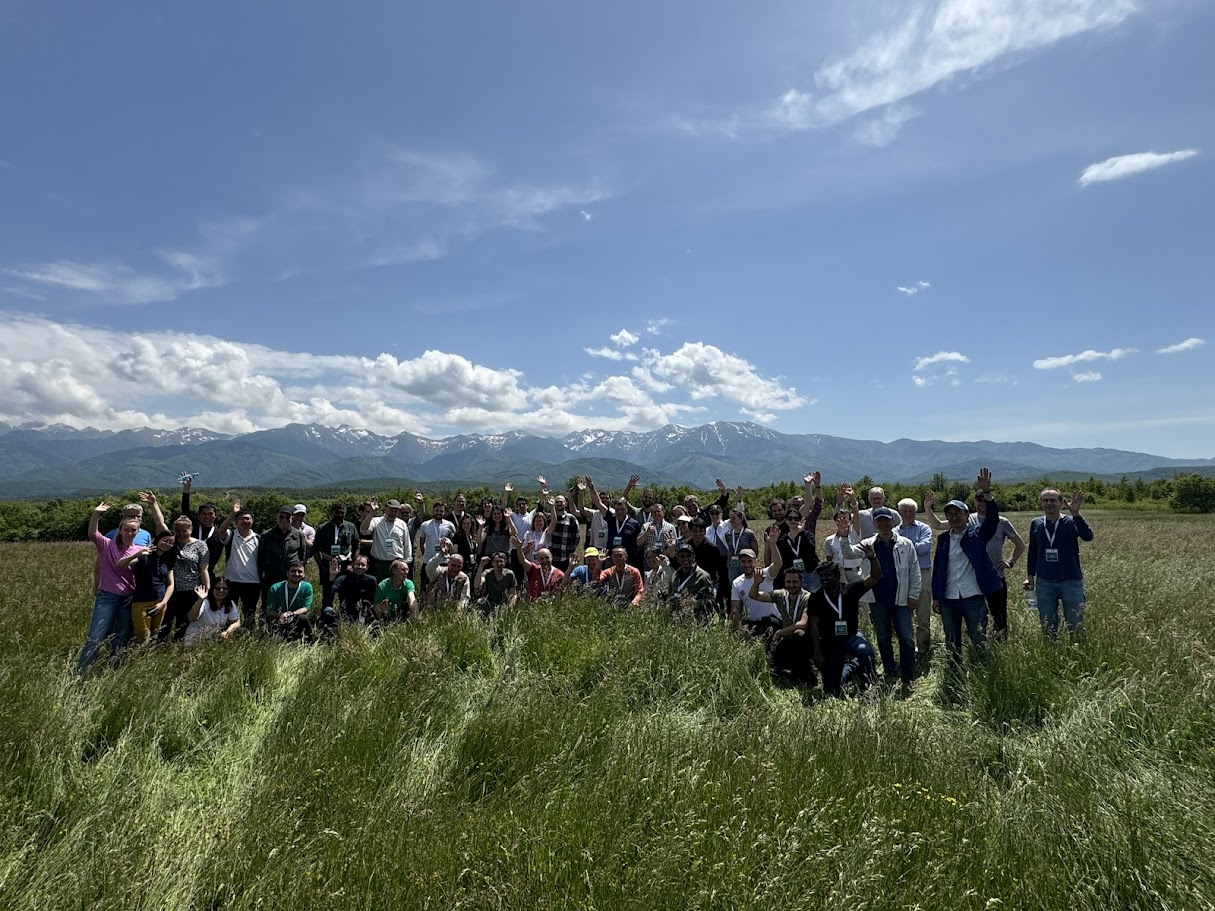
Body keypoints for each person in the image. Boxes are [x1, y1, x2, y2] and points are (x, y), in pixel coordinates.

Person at [931, 469, 1001, 668]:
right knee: (952, 641)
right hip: (949, 598)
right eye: (950, 514)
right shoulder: (943, 539)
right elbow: (938, 570)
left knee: (978, 638)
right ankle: (955, 672)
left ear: (966, 514)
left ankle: (982, 671)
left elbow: (993, 519)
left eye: (958, 513)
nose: (954, 518)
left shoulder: (978, 535)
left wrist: (987, 492)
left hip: (973, 596)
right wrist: (937, 596)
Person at [802, 553, 881, 696]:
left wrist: (872, 558)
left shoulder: (851, 590)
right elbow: (814, 626)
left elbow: (875, 577)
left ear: (837, 576)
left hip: (851, 636)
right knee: (831, 689)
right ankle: (852, 667)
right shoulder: (816, 598)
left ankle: (870, 681)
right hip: (830, 641)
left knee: (865, 650)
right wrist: (817, 652)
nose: (824, 579)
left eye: (827, 576)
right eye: (821, 577)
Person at [77, 502, 141, 673]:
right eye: (126, 530)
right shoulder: (107, 545)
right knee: (96, 636)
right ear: (120, 530)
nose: (129, 533)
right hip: (107, 597)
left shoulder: (139, 550)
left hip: (127, 598)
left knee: (120, 637)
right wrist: (96, 513)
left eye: (133, 530)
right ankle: (82, 672)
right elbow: (92, 533)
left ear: (138, 532)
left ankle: (113, 670)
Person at [861, 506, 921, 687]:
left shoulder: (905, 544)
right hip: (877, 599)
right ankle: (889, 668)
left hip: (901, 599)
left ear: (893, 522)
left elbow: (915, 572)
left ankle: (908, 672)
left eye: (887, 520)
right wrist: (842, 534)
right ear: (874, 524)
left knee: (906, 638)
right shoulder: (867, 545)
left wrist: (913, 595)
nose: (884, 524)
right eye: (879, 521)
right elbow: (849, 553)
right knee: (883, 637)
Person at [1024, 487, 1092, 640]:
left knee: (1076, 624)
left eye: (1053, 500)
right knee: (1048, 625)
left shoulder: (1070, 521)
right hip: (1045, 582)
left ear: (1061, 503)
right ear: (1041, 503)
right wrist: (1030, 577)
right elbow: (1033, 551)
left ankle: (1078, 654)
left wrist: (1075, 513)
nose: (1049, 503)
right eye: (1045, 500)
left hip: (1071, 581)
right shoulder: (1036, 523)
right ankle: (1052, 655)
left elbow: (1088, 536)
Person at [747, 565, 822, 686]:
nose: (791, 585)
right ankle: (787, 668)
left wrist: (780, 632)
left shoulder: (809, 598)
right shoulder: (780, 595)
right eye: (788, 582)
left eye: (795, 582)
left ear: (801, 582)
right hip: (787, 638)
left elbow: (802, 624)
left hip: (805, 641)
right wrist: (756, 582)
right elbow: (753, 595)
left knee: (799, 634)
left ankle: (805, 672)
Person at [158, 515, 211, 643]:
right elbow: (160, 524)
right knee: (165, 623)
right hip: (169, 590)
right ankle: (160, 648)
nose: (181, 534)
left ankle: (178, 647)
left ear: (191, 530)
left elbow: (203, 569)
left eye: (184, 531)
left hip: (191, 590)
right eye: (178, 531)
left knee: (184, 623)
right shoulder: (170, 543)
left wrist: (206, 589)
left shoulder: (200, 545)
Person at [116, 530, 176, 643]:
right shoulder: (144, 555)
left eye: (171, 542)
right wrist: (137, 553)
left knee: (154, 634)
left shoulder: (168, 559)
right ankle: (134, 658)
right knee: (143, 636)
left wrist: (163, 603)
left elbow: (171, 584)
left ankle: (147, 658)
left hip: (160, 603)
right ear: (158, 539)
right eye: (165, 540)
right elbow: (120, 564)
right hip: (141, 603)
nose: (167, 544)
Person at [895, 497, 934, 662]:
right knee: (905, 612)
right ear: (900, 512)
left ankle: (923, 646)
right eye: (905, 511)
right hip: (903, 575)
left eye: (911, 511)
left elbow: (925, 547)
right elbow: (894, 550)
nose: (908, 514)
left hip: (923, 572)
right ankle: (909, 646)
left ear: (915, 512)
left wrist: (905, 546)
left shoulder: (924, 528)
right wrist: (912, 545)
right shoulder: (894, 531)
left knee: (923, 611)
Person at [215, 502, 261, 624]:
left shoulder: (258, 538)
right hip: (231, 581)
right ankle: (228, 633)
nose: (245, 521)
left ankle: (247, 634)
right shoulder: (231, 535)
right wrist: (233, 514)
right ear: (236, 522)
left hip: (253, 582)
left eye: (248, 519)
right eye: (241, 519)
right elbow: (221, 530)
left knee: (249, 612)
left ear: (252, 521)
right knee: (229, 610)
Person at [257, 506, 307, 605]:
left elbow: (302, 556)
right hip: (271, 576)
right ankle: (267, 621)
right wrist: (261, 575)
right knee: (268, 603)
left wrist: (299, 573)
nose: (284, 519)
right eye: (281, 517)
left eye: (287, 517)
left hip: (291, 576)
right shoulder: (266, 535)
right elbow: (260, 557)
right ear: (277, 518)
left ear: (292, 518)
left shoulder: (298, 535)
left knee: (290, 602)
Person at [313, 501, 360, 608]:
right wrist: (321, 566)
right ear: (332, 513)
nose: (339, 515)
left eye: (342, 513)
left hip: (345, 565)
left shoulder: (351, 527)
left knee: (346, 593)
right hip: (327, 564)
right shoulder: (322, 528)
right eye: (336, 512)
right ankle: (326, 616)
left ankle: (345, 616)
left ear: (345, 513)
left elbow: (357, 545)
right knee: (328, 593)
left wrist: (353, 563)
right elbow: (315, 548)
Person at [360, 498, 412, 585]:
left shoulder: (402, 524)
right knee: (379, 587)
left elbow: (407, 543)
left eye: (395, 511)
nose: (392, 513)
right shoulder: (376, 521)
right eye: (390, 510)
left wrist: (406, 561)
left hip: (396, 562)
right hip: (379, 563)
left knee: (396, 586)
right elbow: (364, 530)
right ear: (385, 509)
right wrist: (372, 513)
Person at [262, 561, 313, 640]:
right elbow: (269, 611)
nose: (296, 574)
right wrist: (280, 615)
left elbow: (305, 608)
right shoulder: (275, 588)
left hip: (296, 618)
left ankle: (309, 643)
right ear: (287, 573)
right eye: (293, 571)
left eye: (300, 572)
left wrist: (292, 614)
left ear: (304, 574)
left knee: (303, 618)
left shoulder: (307, 587)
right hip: (279, 619)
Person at [666, 543, 717, 619]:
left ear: (693, 557)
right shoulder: (675, 575)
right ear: (678, 559)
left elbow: (710, 602)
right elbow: (671, 594)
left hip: (694, 619)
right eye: (682, 556)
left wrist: (691, 602)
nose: (685, 559)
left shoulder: (703, 576)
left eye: (688, 556)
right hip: (676, 619)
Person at [184, 580, 241, 646]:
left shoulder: (230, 603)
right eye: (217, 588)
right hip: (195, 639)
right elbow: (191, 618)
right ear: (212, 589)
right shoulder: (204, 602)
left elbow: (236, 622)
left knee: (242, 631)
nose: (221, 590)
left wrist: (227, 632)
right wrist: (200, 600)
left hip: (213, 640)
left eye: (225, 588)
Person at [512, 531, 565, 600]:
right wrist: (519, 548)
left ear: (551, 557)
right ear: (538, 560)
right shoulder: (534, 569)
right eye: (541, 559)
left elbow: (563, 593)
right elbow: (523, 561)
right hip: (534, 606)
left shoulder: (559, 574)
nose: (545, 561)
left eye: (547, 557)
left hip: (552, 607)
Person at [328, 554, 378, 626]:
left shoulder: (371, 580)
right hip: (345, 612)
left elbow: (373, 600)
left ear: (367, 567)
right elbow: (332, 591)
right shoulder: (343, 579)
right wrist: (332, 576)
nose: (360, 567)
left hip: (364, 613)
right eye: (357, 564)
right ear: (352, 565)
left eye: (363, 565)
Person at [416, 502, 456, 590]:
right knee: (425, 587)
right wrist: (425, 554)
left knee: (443, 588)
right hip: (428, 561)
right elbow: (422, 543)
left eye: (441, 511)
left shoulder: (450, 525)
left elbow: (452, 543)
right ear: (433, 511)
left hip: (444, 561)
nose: (439, 513)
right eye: (437, 510)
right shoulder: (425, 525)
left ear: (444, 512)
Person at [424, 542, 471, 611]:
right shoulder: (438, 572)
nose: (455, 569)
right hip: (433, 610)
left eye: (459, 566)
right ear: (448, 563)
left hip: (453, 611)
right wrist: (440, 555)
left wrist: (460, 609)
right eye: (453, 565)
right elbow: (429, 568)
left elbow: (465, 597)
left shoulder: (464, 578)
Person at [545, 494, 580, 573]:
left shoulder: (571, 518)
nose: (559, 504)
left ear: (566, 504)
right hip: (550, 556)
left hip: (565, 557)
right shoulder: (549, 517)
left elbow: (576, 536)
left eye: (561, 502)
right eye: (556, 502)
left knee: (564, 579)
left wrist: (571, 550)